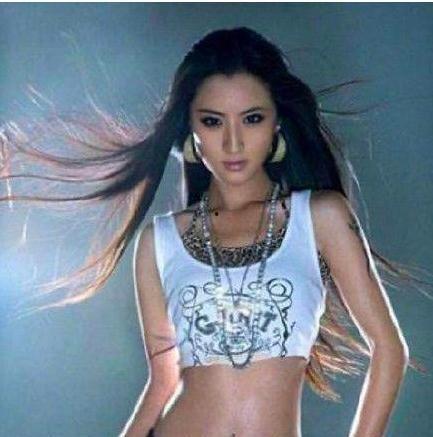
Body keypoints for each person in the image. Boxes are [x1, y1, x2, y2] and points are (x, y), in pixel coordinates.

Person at [1, 27, 430, 437]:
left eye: (252, 119)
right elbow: (162, 383)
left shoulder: (320, 217)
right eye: (212, 121)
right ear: (190, 129)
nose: (233, 142)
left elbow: (389, 349)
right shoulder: (159, 242)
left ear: (277, 123)